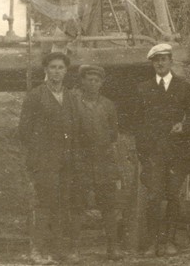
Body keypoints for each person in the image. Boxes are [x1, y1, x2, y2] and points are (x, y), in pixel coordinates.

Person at [134, 43, 190, 257]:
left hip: (177, 151)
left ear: (171, 61)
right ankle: (153, 243)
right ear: (152, 63)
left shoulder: (184, 87)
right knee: (154, 197)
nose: (160, 63)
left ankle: (169, 241)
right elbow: (137, 122)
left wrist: (185, 126)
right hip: (154, 153)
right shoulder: (143, 88)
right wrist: (143, 152)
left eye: (164, 59)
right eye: (156, 60)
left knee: (172, 195)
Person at [18, 51, 84, 265]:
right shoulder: (36, 95)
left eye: (61, 67)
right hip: (44, 160)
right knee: (44, 204)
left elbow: (76, 129)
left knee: (62, 203)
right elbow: (24, 131)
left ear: (66, 71)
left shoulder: (71, 97)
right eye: (53, 67)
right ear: (46, 70)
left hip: (66, 161)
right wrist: (39, 155)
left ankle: (57, 250)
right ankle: (37, 250)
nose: (57, 71)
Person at [76, 64, 123, 261]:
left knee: (109, 206)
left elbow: (113, 134)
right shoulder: (74, 102)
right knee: (77, 204)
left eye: (97, 80)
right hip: (81, 161)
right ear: (82, 81)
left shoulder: (108, 105)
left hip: (103, 162)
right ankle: (74, 248)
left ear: (102, 83)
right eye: (89, 79)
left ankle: (112, 248)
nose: (93, 83)